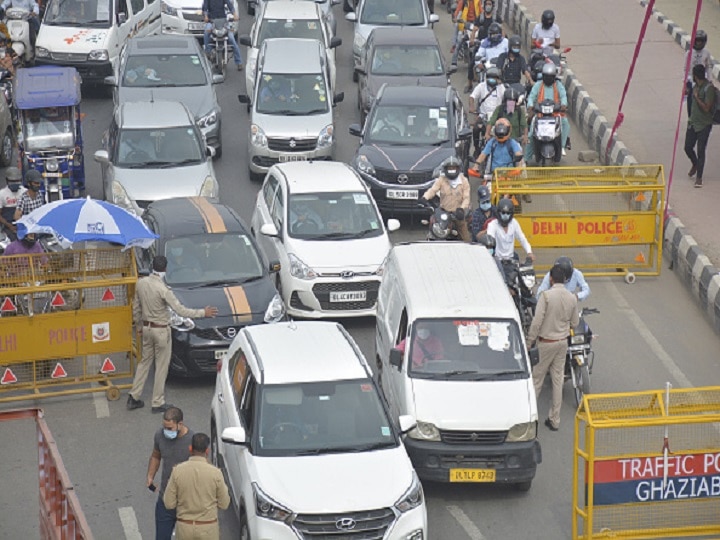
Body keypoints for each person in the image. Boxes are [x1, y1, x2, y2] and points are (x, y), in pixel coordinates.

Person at [128, 255, 219, 413]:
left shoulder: (141, 283)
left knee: (144, 362)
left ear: (152, 267)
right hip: (161, 330)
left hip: (147, 328)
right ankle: (157, 402)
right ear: (165, 269)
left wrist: (139, 325)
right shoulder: (164, 290)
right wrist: (203, 312)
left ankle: (133, 396)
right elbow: (181, 310)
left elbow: (136, 307)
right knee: (161, 366)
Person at [527, 264, 579, 432]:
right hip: (562, 342)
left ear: (551, 278)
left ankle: (530, 419)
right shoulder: (571, 297)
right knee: (558, 380)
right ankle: (554, 419)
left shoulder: (546, 296)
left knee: (537, 379)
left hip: (546, 342)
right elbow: (575, 322)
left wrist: (529, 341)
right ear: (565, 279)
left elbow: (536, 322)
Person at [163, 432, 230, 540]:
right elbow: (224, 504)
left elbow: (169, 503)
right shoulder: (215, 473)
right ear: (207, 451)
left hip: (185, 526)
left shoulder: (177, 471)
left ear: (190, 449)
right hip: (208, 527)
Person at [145, 406, 195, 540]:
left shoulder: (193, 441)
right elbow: (156, 456)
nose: (166, 431)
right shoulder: (159, 436)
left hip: (187, 503)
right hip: (165, 500)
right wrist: (150, 476)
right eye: (164, 427)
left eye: (169, 428)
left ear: (180, 424)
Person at [524, 62, 570, 161]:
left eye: (550, 77)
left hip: (555, 114)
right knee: (531, 134)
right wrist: (531, 106)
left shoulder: (558, 85)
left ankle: (561, 146)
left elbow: (563, 96)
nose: (548, 79)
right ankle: (526, 159)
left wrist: (563, 105)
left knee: (565, 123)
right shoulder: (538, 85)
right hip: (540, 114)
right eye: (546, 76)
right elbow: (531, 96)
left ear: (554, 77)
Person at [422, 156, 471, 242]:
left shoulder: (464, 181)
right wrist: (424, 197)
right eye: (449, 168)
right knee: (433, 230)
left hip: (458, 214)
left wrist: (461, 209)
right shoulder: (441, 179)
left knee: (466, 239)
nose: (451, 170)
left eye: (454, 168)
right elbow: (433, 190)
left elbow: (466, 198)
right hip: (443, 213)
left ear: (458, 169)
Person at [684, 63, 715, 188]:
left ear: (696, 76)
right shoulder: (695, 86)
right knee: (687, 147)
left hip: (704, 125)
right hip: (693, 122)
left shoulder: (709, 89)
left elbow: (707, 108)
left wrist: (696, 97)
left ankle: (699, 178)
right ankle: (695, 163)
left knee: (701, 150)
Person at [462, 0, 501, 93]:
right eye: (486, 4)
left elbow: (502, 30)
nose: (488, 6)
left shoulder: (496, 18)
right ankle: (470, 84)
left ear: (492, 6)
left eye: (489, 4)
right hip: (481, 45)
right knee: (472, 64)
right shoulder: (481, 18)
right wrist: (472, 40)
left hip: (493, 45)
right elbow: (474, 29)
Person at [468, 65, 505, 155]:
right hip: (483, 115)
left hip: (496, 116)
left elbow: (506, 98)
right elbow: (472, 97)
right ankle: (476, 149)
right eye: (490, 78)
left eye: (494, 78)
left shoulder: (501, 88)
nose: (491, 80)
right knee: (476, 129)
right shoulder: (481, 86)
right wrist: (472, 106)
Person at [486, 198, 534, 262]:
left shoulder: (514, 223)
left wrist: (529, 252)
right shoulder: (492, 225)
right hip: (497, 260)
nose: (505, 215)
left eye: (508, 213)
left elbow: (522, 238)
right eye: (503, 213)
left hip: (511, 260)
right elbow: (490, 239)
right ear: (498, 213)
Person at [202, 0, 242, 71]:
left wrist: (235, 15)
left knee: (231, 38)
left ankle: (239, 62)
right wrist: (205, 16)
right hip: (212, 21)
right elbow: (205, 8)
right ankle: (208, 52)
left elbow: (230, 5)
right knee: (206, 32)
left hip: (223, 22)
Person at [684, 30, 712, 115]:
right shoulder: (689, 53)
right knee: (690, 102)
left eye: (700, 41)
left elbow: (708, 67)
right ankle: (690, 120)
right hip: (692, 81)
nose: (698, 43)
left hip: (703, 82)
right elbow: (685, 69)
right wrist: (685, 83)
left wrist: (710, 80)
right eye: (697, 41)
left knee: (703, 102)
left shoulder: (706, 53)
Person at [473, 22, 508, 91]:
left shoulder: (505, 42)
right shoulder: (485, 42)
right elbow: (479, 54)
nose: (493, 36)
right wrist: (479, 63)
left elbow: (510, 54)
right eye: (492, 34)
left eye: (495, 34)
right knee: (482, 87)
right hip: (489, 70)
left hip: (502, 69)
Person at [450, 0, 482, 66]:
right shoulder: (463, 1)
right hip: (464, 25)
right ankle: (454, 62)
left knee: (480, 41)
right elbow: (458, 10)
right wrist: (455, 17)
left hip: (475, 25)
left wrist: (484, 19)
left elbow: (482, 11)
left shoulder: (478, 1)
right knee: (459, 42)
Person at [0, 167, 25, 240]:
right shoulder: (2, 194)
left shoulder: (24, 192)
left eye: (17, 181)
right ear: (7, 181)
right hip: (7, 225)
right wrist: (9, 225)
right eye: (12, 181)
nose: (15, 183)